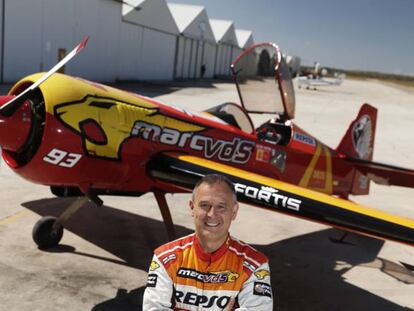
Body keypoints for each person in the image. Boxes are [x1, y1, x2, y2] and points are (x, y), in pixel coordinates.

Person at [143, 174, 273, 310]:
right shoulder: (165, 258)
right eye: (205, 205)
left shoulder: (255, 265)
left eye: (221, 207)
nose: (211, 214)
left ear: (234, 211)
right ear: (192, 207)